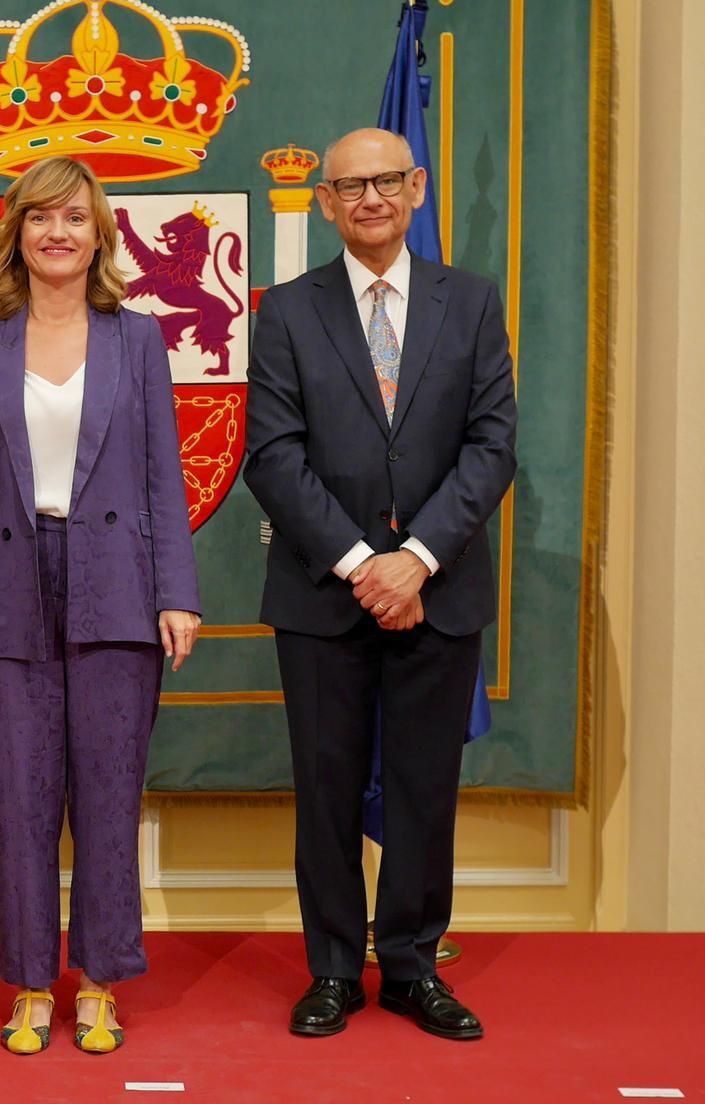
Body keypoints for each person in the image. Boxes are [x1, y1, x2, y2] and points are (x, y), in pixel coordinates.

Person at [243, 127, 517, 1041]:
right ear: (324, 202)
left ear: (419, 187)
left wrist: (420, 559)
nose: (370, 199)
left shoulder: (472, 304)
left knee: (423, 788)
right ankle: (331, 971)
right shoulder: (284, 311)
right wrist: (365, 565)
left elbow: (492, 445)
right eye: (350, 186)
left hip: (440, 590)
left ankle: (409, 966)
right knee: (324, 787)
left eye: (387, 182)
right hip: (327, 595)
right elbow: (273, 456)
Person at [0, 156, 201, 1056]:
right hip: (7, 589)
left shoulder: (139, 341)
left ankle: (103, 983)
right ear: (15, 231)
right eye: (41, 218)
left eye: (75, 219)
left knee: (110, 797)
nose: (57, 233)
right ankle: (32, 984)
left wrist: (177, 595)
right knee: (22, 798)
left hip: (117, 586)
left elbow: (168, 477)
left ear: (100, 235)